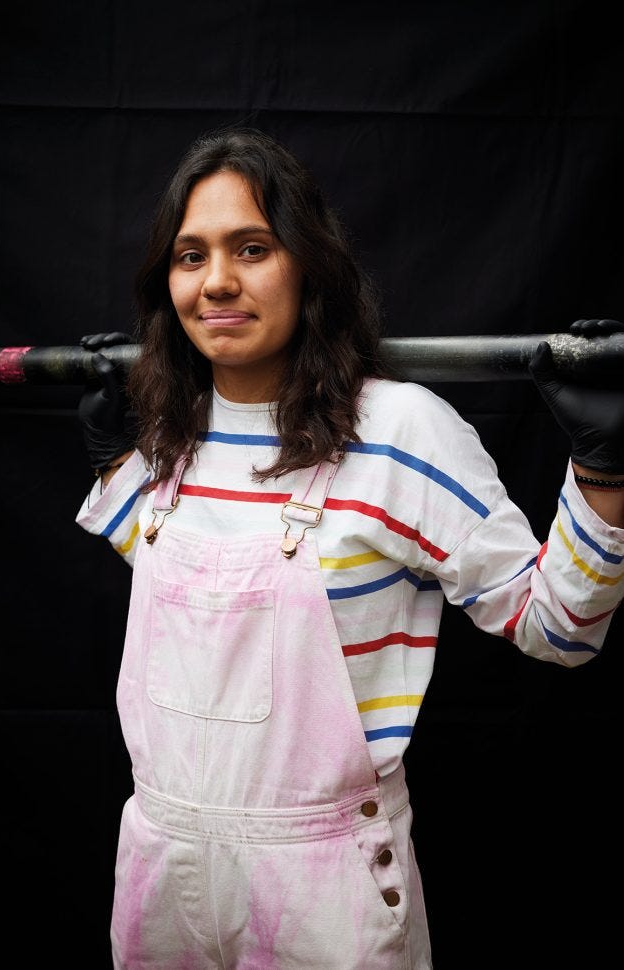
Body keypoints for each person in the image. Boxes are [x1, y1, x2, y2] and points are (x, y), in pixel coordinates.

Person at [76, 127, 624, 970]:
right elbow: (184, 596)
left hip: (322, 889)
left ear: (308, 265)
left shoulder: (401, 435)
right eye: (191, 256)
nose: (217, 281)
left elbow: (557, 627)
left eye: (251, 248)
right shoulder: (165, 436)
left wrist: (601, 473)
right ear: (166, 283)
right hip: (163, 869)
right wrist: (118, 464)